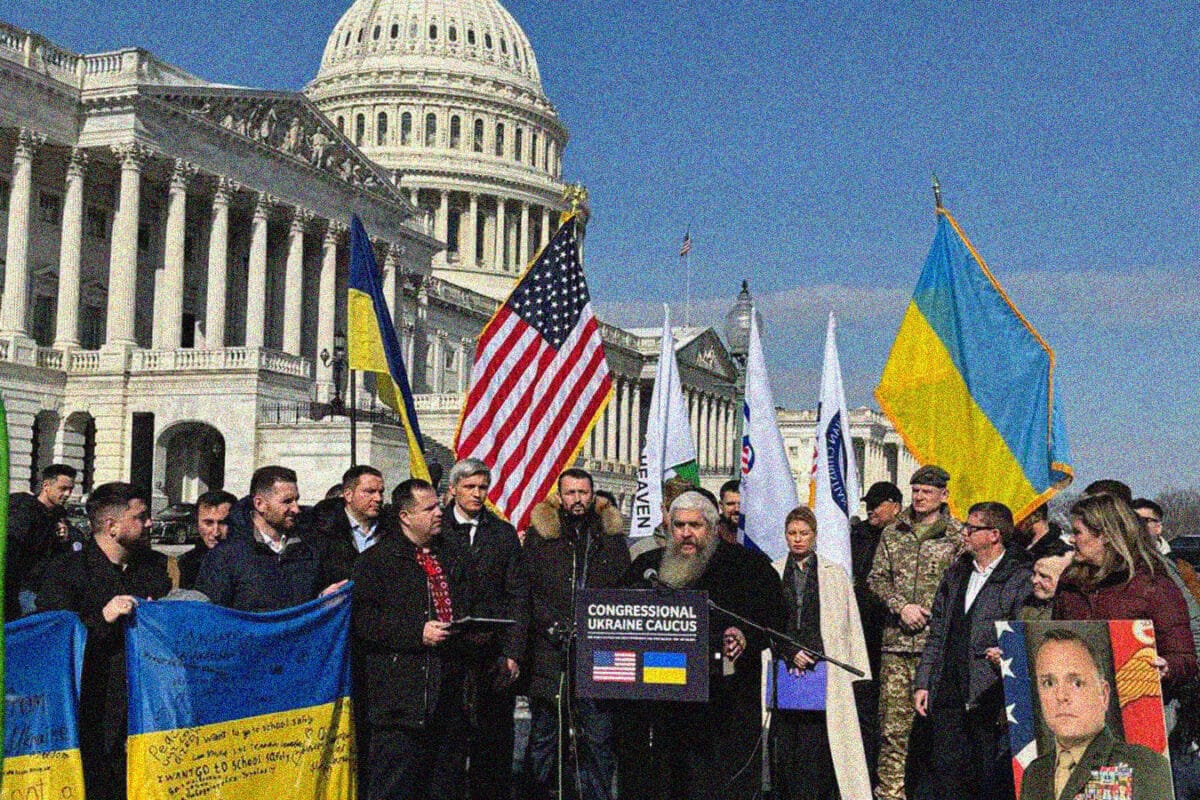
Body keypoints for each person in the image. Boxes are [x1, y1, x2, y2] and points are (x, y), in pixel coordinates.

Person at [625, 491, 787, 800]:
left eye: (695, 526)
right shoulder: (648, 568)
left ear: (711, 527)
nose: (686, 534)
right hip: (666, 704)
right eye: (679, 525)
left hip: (726, 703)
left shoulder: (747, 566)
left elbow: (773, 616)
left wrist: (744, 636)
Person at [37, 482, 171, 800]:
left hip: (148, 711)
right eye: (140, 517)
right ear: (112, 526)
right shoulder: (67, 572)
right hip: (94, 714)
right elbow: (52, 643)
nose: (150, 523)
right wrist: (103, 618)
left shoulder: (154, 568)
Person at [352, 478, 469, 800]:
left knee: (444, 788)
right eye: (429, 508)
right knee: (394, 787)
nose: (438, 514)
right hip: (398, 703)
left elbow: (470, 601)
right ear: (405, 516)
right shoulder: (377, 561)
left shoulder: (453, 556)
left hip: (447, 698)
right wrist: (415, 632)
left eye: (438, 506)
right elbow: (363, 621)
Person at [913, 501, 1032, 800]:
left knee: (986, 777)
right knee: (946, 773)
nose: (964, 533)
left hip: (988, 695)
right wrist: (924, 681)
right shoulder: (956, 574)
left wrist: (1002, 654)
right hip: (948, 689)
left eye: (971, 527)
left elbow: (1022, 632)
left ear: (994, 534)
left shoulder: (1018, 578)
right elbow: (938, 631)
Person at [524, 468, 629, 800]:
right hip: (551, 653)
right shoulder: (542, 537)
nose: (577, 499)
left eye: (583, 492)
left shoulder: (610, 539)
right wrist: (550, 624)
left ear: (593, 495)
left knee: (597, 737)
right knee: (545, 736)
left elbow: (621, 591)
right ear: (560, 496)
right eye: (570, 493)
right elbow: (528, 591)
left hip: (598, 653)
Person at [866, 464, 961, 800]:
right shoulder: (894, 532)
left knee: (938, 733)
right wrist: (900, 606)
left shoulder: (958, 537)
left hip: (938, 651)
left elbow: (962, 591)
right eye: (916, 491)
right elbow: (875, 579)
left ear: (944, 495)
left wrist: (933, 616)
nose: (920, 498)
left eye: (927, 492)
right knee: (893, 731)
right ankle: (890, 793)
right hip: (896, 646)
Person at [439, 458, 530, 800]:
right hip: (449, 651)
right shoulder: (437, 529)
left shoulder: (502, 532)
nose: (477, 495)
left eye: (482, 488)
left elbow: (518, 595)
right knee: (449, 743)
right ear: (453, 490)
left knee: (492, 745)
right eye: (470, 487)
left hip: (492, 654)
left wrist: (512, 652)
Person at [768, 506, 872, 800]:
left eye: (804, 533)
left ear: (814, 535)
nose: (797, 539)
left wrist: (814, 652)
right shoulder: (774, 571)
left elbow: (845, 622)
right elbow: (769, 620)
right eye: (792, 533)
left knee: (821, 740)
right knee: (787, 739)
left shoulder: (833, 573)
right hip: (783, 665)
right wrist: (790, 651)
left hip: (824, 667)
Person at [1055, 493, 1198, 691]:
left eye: (1077, 532)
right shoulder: (1070, 583)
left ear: (1104, 535)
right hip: (1083, 698)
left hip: (1141, 703)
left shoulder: (1152, 585)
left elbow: (1186, 657)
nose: (1071, 539)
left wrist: (1168, 667)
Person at [1019, 629, 1173, 800]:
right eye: (1048, 683)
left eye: (1076, 683)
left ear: (1104, 695)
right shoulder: (1033, 774)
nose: (1061, 696)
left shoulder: (1145, 766)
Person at [196, 466, 342, 612]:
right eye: (287, 501)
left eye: (296, 500)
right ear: (260, 504)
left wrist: (323, 598)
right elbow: (212, 617)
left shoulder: (310, 547)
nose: (296, 509)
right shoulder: (225, 556)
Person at [851, 480, 902, 786]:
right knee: (864, 713)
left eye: (877, 504)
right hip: (861, 637)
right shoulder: (857, 536)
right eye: (868, 503)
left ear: (895, 505)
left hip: (892, 637)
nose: (871, 509)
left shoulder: (900, 537)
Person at [6, 463, 77, 619]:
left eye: (70, 489)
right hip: (22, 587)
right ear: (46, 486)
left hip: (45, 587)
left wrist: (63, 540)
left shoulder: (59, 516)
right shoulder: (25, 511)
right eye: (62, 488)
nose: (67, 494)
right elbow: (12, 547)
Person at [309, 465, 387, 583]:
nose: (378, 498)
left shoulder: (392, 529)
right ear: (348, 495)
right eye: (369, 492)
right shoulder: (321, 530)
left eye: (381, 492)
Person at [176, 489, 236, 590]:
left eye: (223, 523)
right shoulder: (187, 563)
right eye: (208, 523)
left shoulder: (250, 561)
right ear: (197, 523)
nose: (216, 532)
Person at [629, 475, 696, 560]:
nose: (681, 520)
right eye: (674, 512)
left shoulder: (705, 552)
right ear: (662, 508)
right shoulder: (641, 551)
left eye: (688, 514)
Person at [1020, 553, 1073, 623]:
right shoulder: (1026, 605)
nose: (1034, 580)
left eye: (1043, 576)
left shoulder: (1073, 612)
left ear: (1064, 578)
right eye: (1034, 573)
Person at [717, 478, 741, 545]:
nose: (737, 509)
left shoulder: (759, 534)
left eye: (741, 504)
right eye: (730, 504)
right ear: (721, 505)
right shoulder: (711, 534)